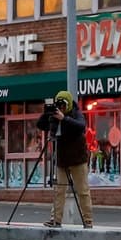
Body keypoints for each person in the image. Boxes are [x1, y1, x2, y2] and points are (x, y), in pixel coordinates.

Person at [36, 90, 93, 228]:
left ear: (67, 104)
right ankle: (55, 219)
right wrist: (47, 113)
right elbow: (41, 125)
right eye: (58, 104)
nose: (60, 107)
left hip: (78, 159)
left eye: (62, 104)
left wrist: (64, 118)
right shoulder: (54, 115)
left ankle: (88, 221)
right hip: (62, 159)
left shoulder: (75, 113)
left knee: (83, 191)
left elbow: (81, 126)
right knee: (59, 191)